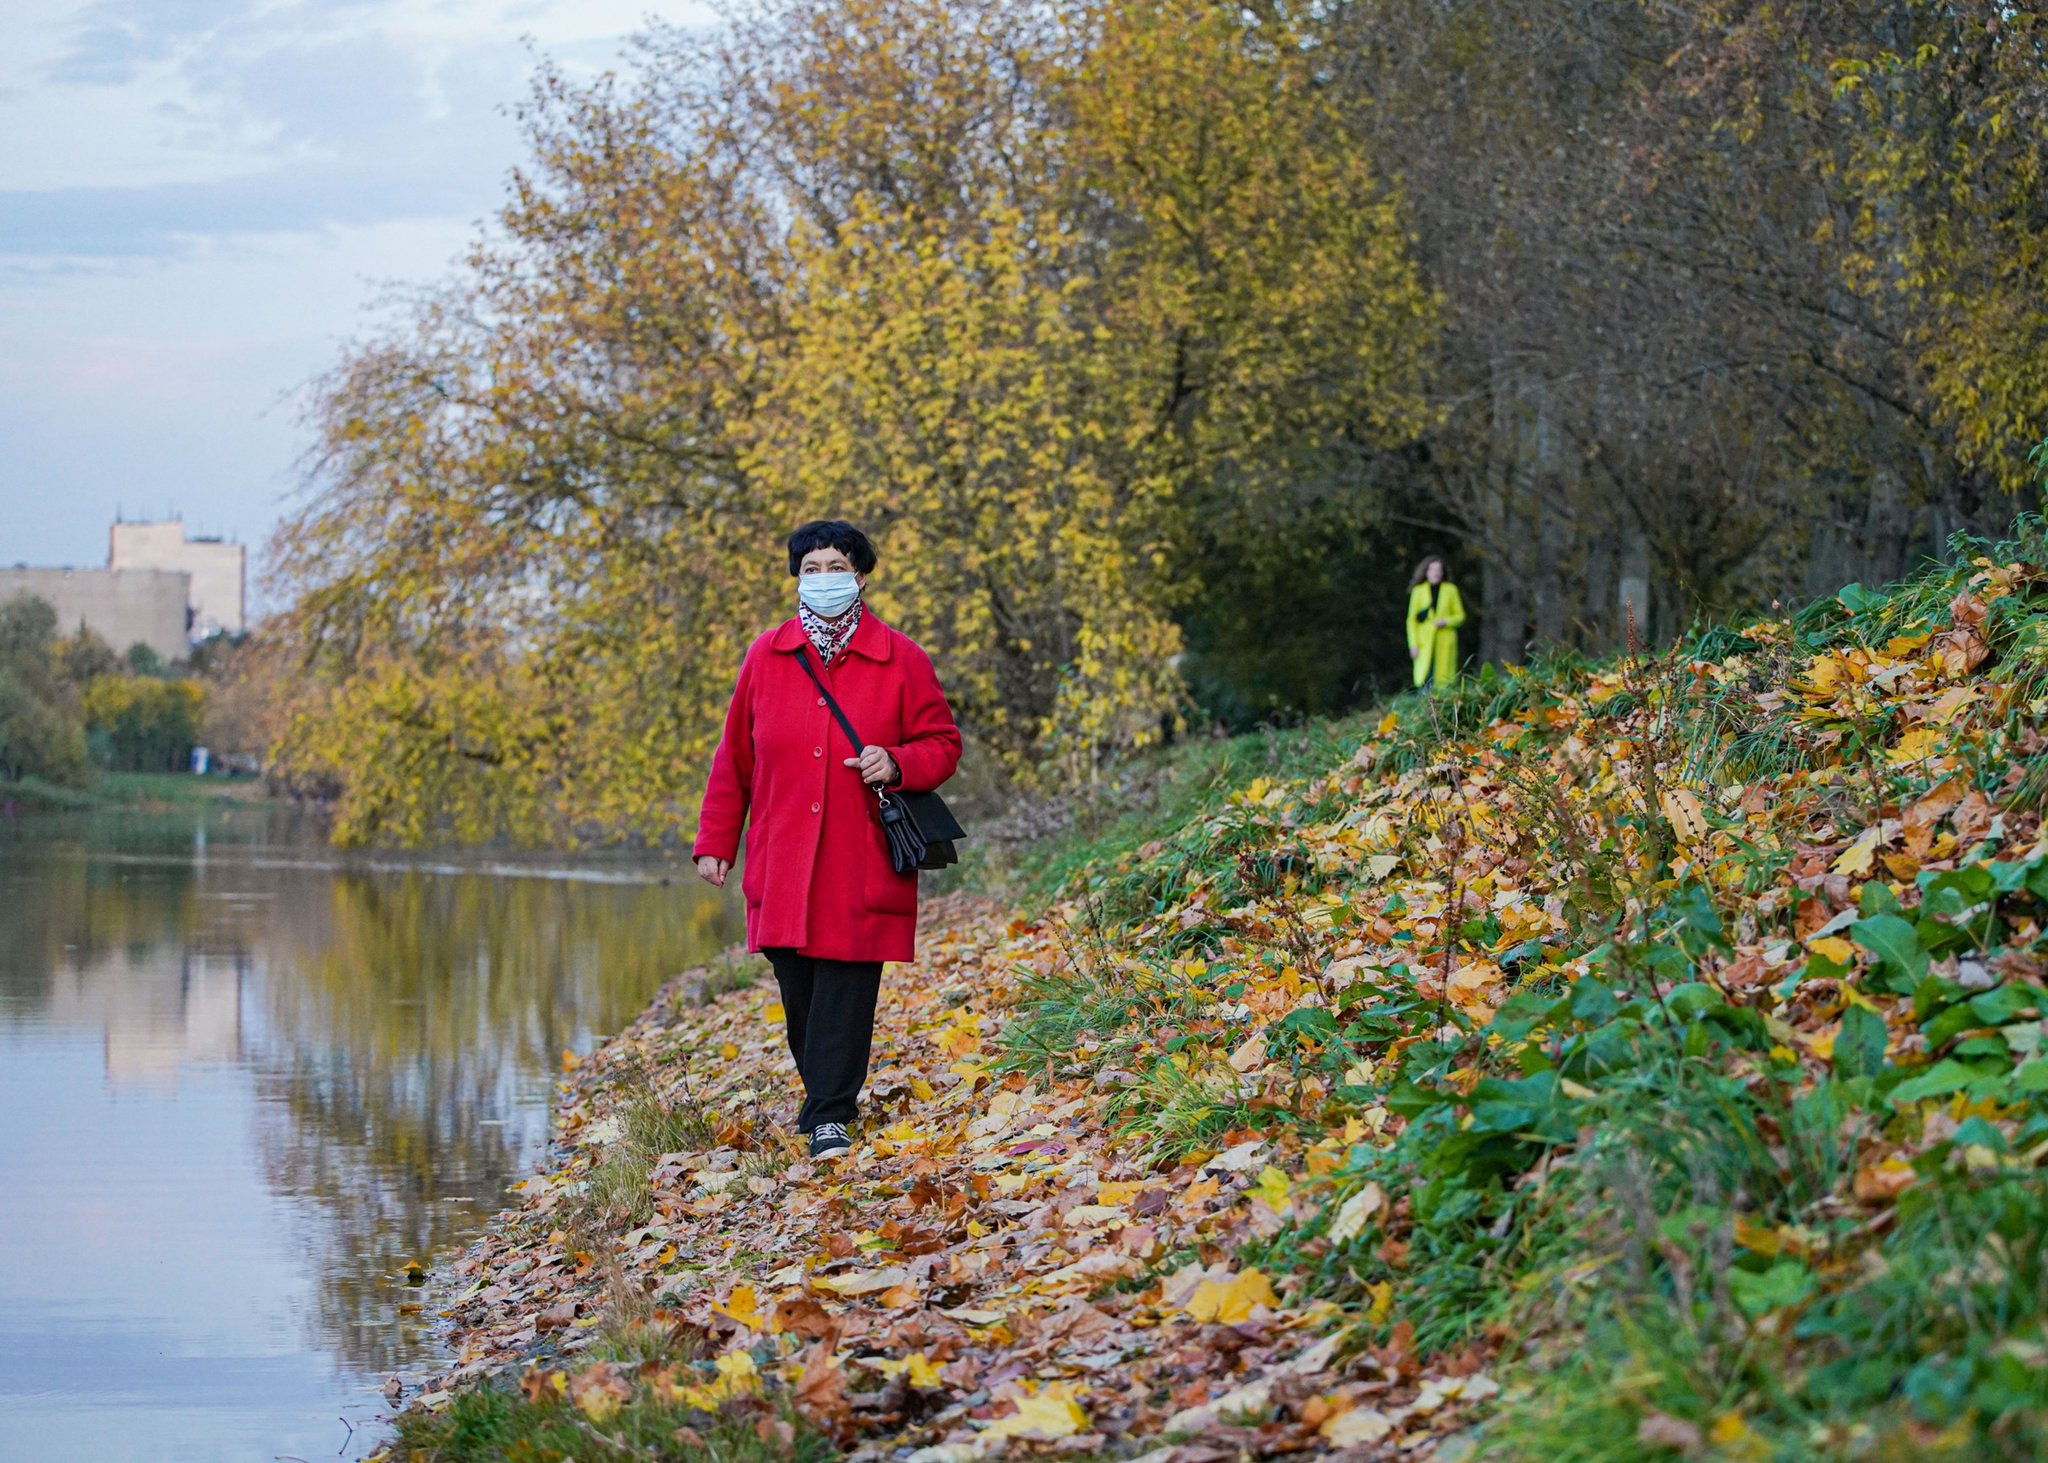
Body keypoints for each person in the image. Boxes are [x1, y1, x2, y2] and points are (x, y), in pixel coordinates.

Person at [693, 521, 963, 1162]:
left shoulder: (902, 658)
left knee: (845, 988)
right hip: (782, 857)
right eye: (810, 568)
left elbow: (943, 744)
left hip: (859, 857)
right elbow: (735, 757)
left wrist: (897, 763)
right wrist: (716, 840)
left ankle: (830, 1115)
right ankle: (824, 1101)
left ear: (861, 575)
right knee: (800, 986)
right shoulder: (767, 655)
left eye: (835, 566)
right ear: (796, 578)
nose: (823, 578)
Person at [1405, 557, 1465, 690]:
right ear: (1426, 572)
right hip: (1424, 641)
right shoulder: (1418, 591)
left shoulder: (1450, 590)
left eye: (1438, 570)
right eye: (1432, 570)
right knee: (1424, 677)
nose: (1435, 573)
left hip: (1445, 641)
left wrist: (1446, 621)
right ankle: (1426, 706)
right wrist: (1413, 644)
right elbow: (1411, 620)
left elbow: (1460, 616)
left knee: (1444, 679)